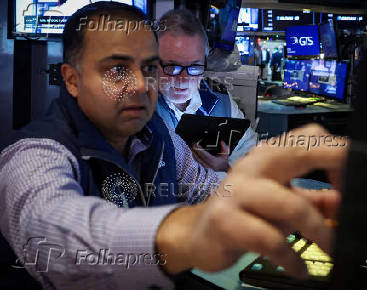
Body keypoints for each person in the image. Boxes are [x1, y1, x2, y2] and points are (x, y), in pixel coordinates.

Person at [0, 2, 344, 289]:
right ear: (72, 80)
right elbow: (52, 236)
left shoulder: (156, 138)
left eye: (149, 67)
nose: (140, 84)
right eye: (117, 69)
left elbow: (207, 188)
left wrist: (283, 203)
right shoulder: (34, 153)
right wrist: (184, 231)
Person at [155, 9, 257, 174]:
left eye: (194, 67)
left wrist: (225, 169)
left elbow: (253, 157)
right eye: (172, 66)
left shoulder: (221, 100)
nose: (183, 78)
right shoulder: (140, 109)